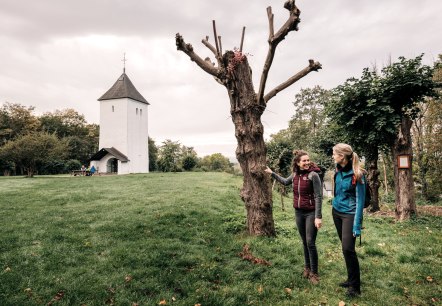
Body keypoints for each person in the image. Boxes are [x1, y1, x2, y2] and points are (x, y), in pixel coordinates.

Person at [265, 150, 323, 285]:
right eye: (304, 161)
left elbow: (318, 196)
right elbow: (285, 182)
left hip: (310, 213)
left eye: (308, 160)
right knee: (304, 241)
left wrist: (318, 216)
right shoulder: (295, 174)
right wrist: (272, 173)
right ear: (298, 163)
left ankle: (314, 273)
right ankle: (307, 268)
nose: (307, 163)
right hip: (298, 212)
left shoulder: (313, 175)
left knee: (310, 242)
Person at [331, 143, 366, 297]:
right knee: (346, 249)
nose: (332, 156)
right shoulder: (337, 171)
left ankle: (355, 287)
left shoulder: (358, 174)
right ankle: (350, 279)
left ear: (342, 156)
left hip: (350, 214)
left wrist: (357, 225)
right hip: (336, 212)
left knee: (348, 249)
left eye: (334, 153)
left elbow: (360, 202)